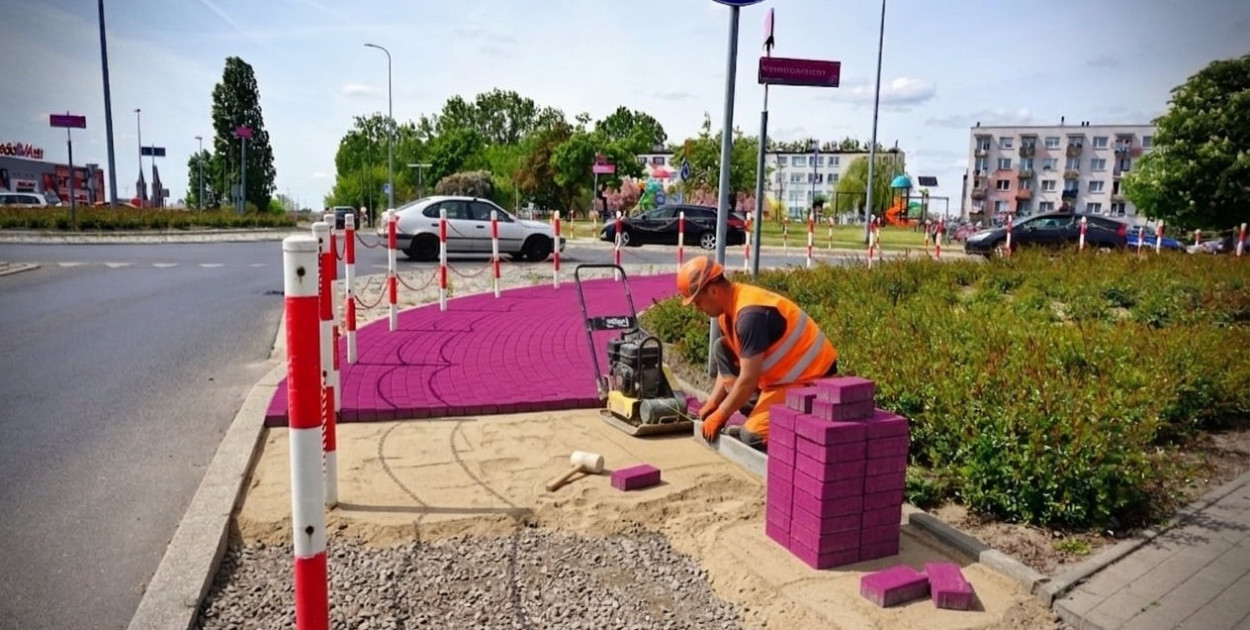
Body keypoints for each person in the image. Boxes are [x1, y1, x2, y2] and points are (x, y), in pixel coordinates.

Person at [676, 255, 838, 450]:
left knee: (751, 437)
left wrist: (722, 414)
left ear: (713, 291)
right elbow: (733, 358)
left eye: (698, 302)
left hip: (810, 384)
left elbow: (748, 379)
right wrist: (713, 403)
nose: (697, 308)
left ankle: (792, 425)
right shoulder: (728, 311)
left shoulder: (750, 317)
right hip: (779, 380)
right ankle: (759, 414)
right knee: (721, 348)